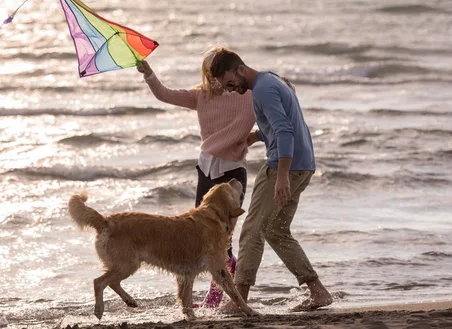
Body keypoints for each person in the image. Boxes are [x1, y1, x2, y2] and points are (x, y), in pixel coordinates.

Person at [208, 49, 333, 313]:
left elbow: (285, 130)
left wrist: (282, 177)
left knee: (252, 229)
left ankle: (239, 298)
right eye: (225, 87)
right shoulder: (271, 81)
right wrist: (257, 136)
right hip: (303, 165)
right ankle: (318, 291)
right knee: (276, 231)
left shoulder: (263, 89)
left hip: (283, 167)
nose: (231, 89)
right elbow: (281, 126)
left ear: (240, 69)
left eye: (230, 83)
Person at [136, 45, 256, 308]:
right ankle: (187, 300)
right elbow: (165, 95)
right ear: (206, 74)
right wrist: (148, 73)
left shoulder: (246, 93)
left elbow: (275, 100)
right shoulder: (201, 96)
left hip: (233, 171)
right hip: (206, 169)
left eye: (219, 74)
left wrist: (285, 87)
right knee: (196, 236)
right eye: (210, 75)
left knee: (223, 241)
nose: (216, 80)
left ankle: (214, 301)